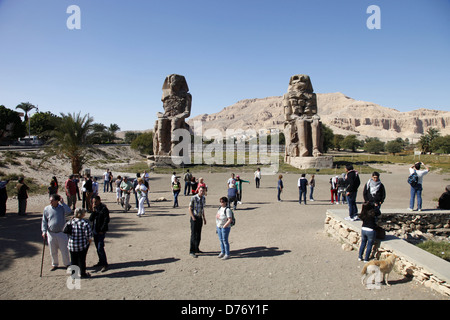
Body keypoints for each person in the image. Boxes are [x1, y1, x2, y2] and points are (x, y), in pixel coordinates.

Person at [41, 194, 72, 271]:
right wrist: (44, 231)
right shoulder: (47, 209)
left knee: (64, 249)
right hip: (51, 233)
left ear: (56, 201)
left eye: (52, 200)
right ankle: (54, 264)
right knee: (53, 250)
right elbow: (44, 221)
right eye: (50, 200)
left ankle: (67, 263)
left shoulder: (62, 208)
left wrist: (63, 203)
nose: (50, 202)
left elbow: (69, 211)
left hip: (61, 233)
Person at [67, 208, 93, 278]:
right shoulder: (84, 223)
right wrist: (88, 242)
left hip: (72, 245)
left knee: (73, 260)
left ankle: (74, 274)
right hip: (81, 245)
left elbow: (66, 231)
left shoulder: (70, 222)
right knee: (82, 260)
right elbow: (89, 235)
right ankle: (83, 273)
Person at [89, 196, 110, 272]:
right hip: (95, 230)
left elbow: (106, 220)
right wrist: (93, 212)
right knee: (97, 248)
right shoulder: (95, 209)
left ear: (99, 201)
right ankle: (101, 261)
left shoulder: (103, 208)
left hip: (101, 231)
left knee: (100, 247)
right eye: (93, 202)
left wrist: (102, 230)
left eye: (95, 202)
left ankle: (105, 264)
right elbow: (91, 219)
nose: (94, 203)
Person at [189, 186, 206, 258]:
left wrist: (204, 218)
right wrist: (192, 217)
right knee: (193, 234)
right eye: (201, 190)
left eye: (203, 191)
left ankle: (197, 248)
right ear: (198, 190)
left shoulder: (203, 198)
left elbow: (202, 209)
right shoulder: (193, 198)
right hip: (194, 218)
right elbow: (190, 208)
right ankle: (192, 251)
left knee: (199, 234)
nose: (202, 192)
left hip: (200, 218)